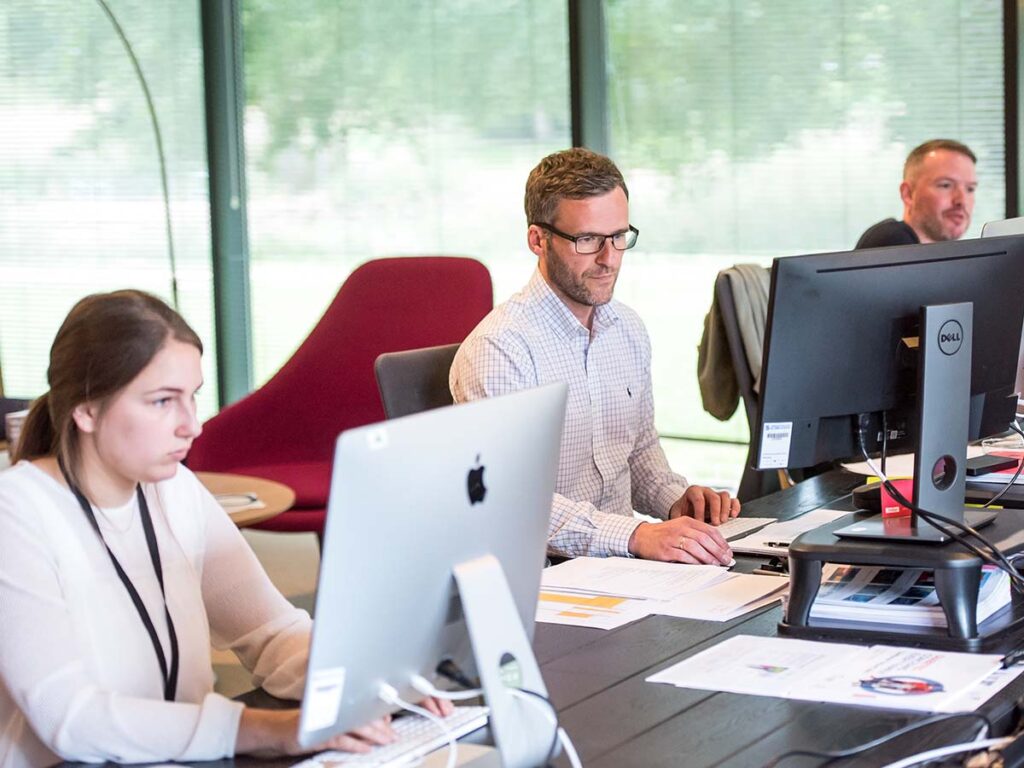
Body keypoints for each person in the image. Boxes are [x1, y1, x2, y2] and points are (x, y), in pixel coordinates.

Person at [0, 290, 448, 767]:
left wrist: (373, 684)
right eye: (162, 402)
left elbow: (272, 633)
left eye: (192, 397)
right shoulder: (18, 514)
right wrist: (268, 730)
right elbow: (72, 719)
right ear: (86, 410)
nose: (191, 425)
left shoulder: (175, 490)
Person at [450, 148, 739, 566]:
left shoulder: (627, 329)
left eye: (619, 237)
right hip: (548, 580)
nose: (609, 259)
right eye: (587, 240)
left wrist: (678, 502)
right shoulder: (501, 350)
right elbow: (513, 501)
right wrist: (637, 534)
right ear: (538, 239)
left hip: (622, 569)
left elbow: (638, 452)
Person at [855, 139, 977, 248]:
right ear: (908, 194)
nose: (962, 201)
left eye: (970, 189)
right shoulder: (891, 241)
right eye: (945, 185)